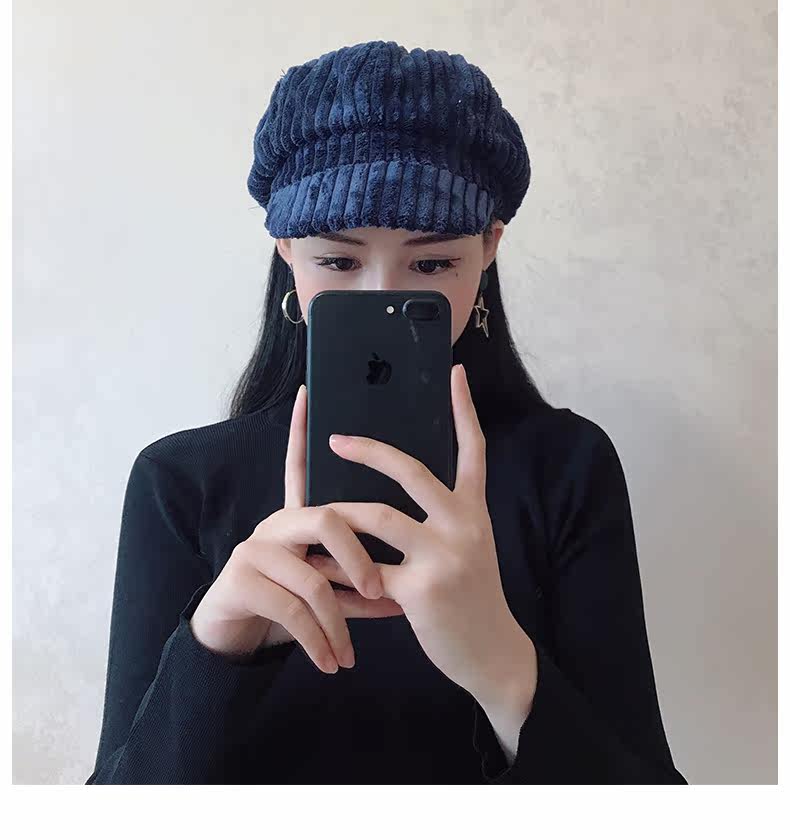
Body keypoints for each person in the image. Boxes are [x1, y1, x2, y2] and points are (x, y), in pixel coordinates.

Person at [87, 40, 687, 785]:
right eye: (339, 261)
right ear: (286, 251)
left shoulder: (566, 468)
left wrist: (501, 664)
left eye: (432, 263)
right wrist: (213, 647)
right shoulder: (180, 481)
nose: (382, 296)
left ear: (488, 249)